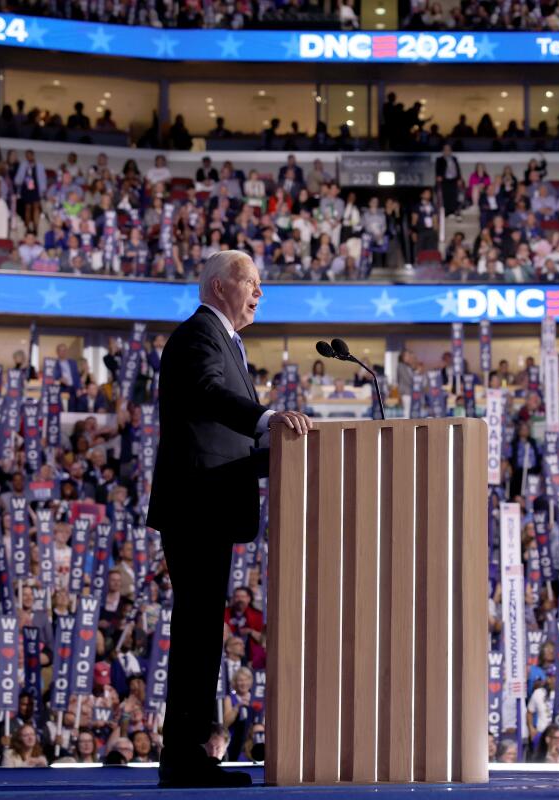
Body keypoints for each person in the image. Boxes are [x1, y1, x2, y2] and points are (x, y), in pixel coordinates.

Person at [148, 250, 312, 789]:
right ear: (220, 287)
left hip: (210, 504)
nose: (260, 294)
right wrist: (266, 417)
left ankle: (190, 753)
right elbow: (207, 394)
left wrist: (268, 436)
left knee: (202, 633)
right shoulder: (199, 335)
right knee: (197, 634)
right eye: (253, 284)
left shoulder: (226, 341)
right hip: (198, 504)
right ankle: (185, 757)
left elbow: (224, 421)